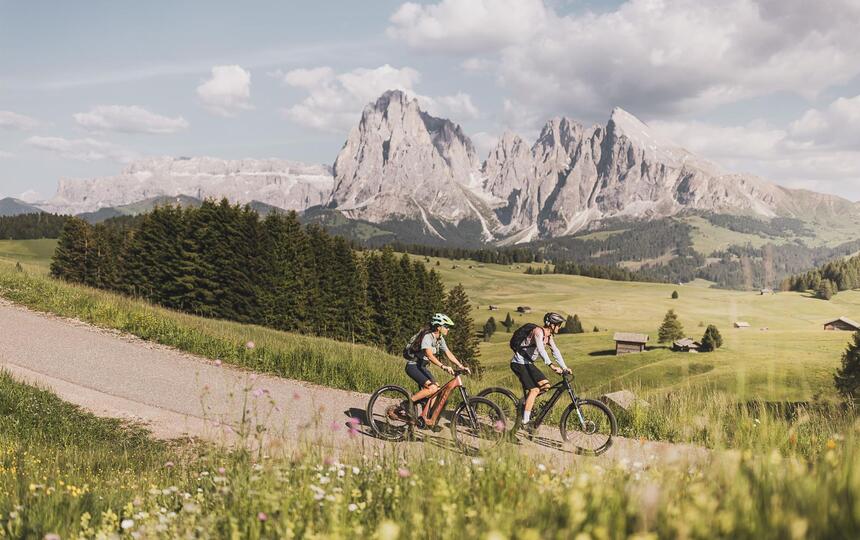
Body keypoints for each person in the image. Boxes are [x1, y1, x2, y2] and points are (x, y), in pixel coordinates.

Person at [397, 313, 470, 425]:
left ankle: (427, 419)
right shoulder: (427, 336)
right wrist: (443, 366)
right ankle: (407, 404)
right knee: (432, 388)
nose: (448, 329)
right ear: (438, 327)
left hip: (422, 367)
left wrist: (461, 366)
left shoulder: (440, 339)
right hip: (413, 366)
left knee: (437, 391)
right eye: (446, 326)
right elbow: (429, 355)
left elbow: (448, 353)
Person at [510, 312, 571, 431]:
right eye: (558, 325)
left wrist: (564, 367)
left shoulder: (549, 336)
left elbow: (555, 351)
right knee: (535, 389)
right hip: (519, 362)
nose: (559, 327)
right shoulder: (538, 332)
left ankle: (525, 403)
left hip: (528, 363)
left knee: (546, 386)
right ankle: (525, 421)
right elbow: (541, 350)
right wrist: (551, 365)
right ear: (551, 324)